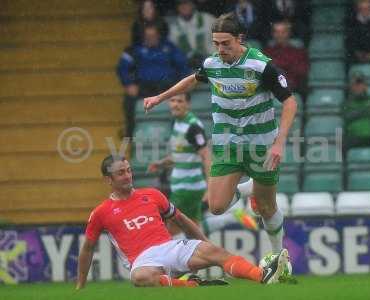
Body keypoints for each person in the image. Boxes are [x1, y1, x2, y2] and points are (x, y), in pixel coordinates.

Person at [144, 13, 298, 257]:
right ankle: (249, 189)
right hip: (228, 144)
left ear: (240, 39)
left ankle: (279, 257)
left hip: (261, 145)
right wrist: (159, 97)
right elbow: (191, 80)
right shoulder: (212, 64)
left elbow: (290, 103)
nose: (220, 49)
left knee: (267, 208)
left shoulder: (260, 65)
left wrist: (279, 143)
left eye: (226, 43)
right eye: (216, 43)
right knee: (216, 207)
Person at [76, 155, 289, 289]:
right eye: (120, 173)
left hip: (170, 247)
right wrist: (81, 285)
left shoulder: (151, 194)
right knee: (138, 277)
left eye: (129, 170)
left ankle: (263, 275)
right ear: (108, 179)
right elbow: (87, 249)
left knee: (217, 253)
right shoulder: (101, 213)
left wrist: (205, 243)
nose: (127, 175)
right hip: (142, 260)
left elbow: (182, 220)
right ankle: (189, 285)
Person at [147, 93, 258, 236]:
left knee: (173, 229)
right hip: (182, 185)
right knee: (194, 228)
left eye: (180, 101)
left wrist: (210, 186)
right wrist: (161, 163)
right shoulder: (178, 123)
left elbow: (206, 156)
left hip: (187, 186)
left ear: (188, 104)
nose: (175, 104)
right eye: (172, 101)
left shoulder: (192, 126)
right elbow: (183, 154)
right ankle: (232, 218)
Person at [116, 23, 191, 138]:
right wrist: (128, 84)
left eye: (153, 36)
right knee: (128, 101)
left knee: (179, 99)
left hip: (166, 86)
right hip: (143, 86)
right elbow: (122, 68)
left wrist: (183, 84)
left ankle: (178, 131)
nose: (151, 39)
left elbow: (183, 65)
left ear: (159, 36)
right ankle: (130, 133)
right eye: (148, 37)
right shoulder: (135, 49)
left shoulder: (169, 47)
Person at [342, 71, 370, 149]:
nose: (358, 86)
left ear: (365, 85)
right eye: (354, 84)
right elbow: (348, 116)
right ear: (350, 87)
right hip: (355, 140)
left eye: (360, 83)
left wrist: (358, 112)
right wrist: (368, 109)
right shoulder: (346, 104)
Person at [263, 20, 309, 96]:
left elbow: (302, 71)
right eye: (276, 32)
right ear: (272, 34)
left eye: (283, 32)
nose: (279, 35)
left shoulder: (298, 52)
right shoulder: (267, 52)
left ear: (289, 33)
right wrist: (288, 65)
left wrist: (278, 65)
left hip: (294, 89)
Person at [168, 0, 216, 68]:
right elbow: (174, 51)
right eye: (180, 4)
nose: (183, 6)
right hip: (186, 67)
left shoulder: (208, 19)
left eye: (186, 3)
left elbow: (219, 43)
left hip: (210, 64)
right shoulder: (173, 27)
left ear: (193, 4)